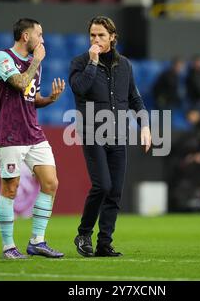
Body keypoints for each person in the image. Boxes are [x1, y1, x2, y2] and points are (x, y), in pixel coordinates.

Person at [69, 16, 151, 257]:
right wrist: (92, 64)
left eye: (101, 35)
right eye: (92, 35)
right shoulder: (80, 62)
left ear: (113, 37)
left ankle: (104, 243)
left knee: (114, 191)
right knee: (102, 185)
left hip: (119, 135)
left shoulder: (124, 65)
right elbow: (79, 88)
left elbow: (135, 99)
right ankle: (84, 233)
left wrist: (144, 126)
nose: (96, 40)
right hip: (92, 133)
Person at [0, 18, 65, 259]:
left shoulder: (36, 64)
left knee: (51, 182)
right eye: (39, 34)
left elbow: (30, 97)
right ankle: (8, 247)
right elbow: (20, 83)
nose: (42, 40)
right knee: (10, 189)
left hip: (34, 133)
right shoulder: (2, 58)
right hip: (11, 134)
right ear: (26, 36)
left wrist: (50, 99)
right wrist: (36, 61)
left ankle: (37, 241)